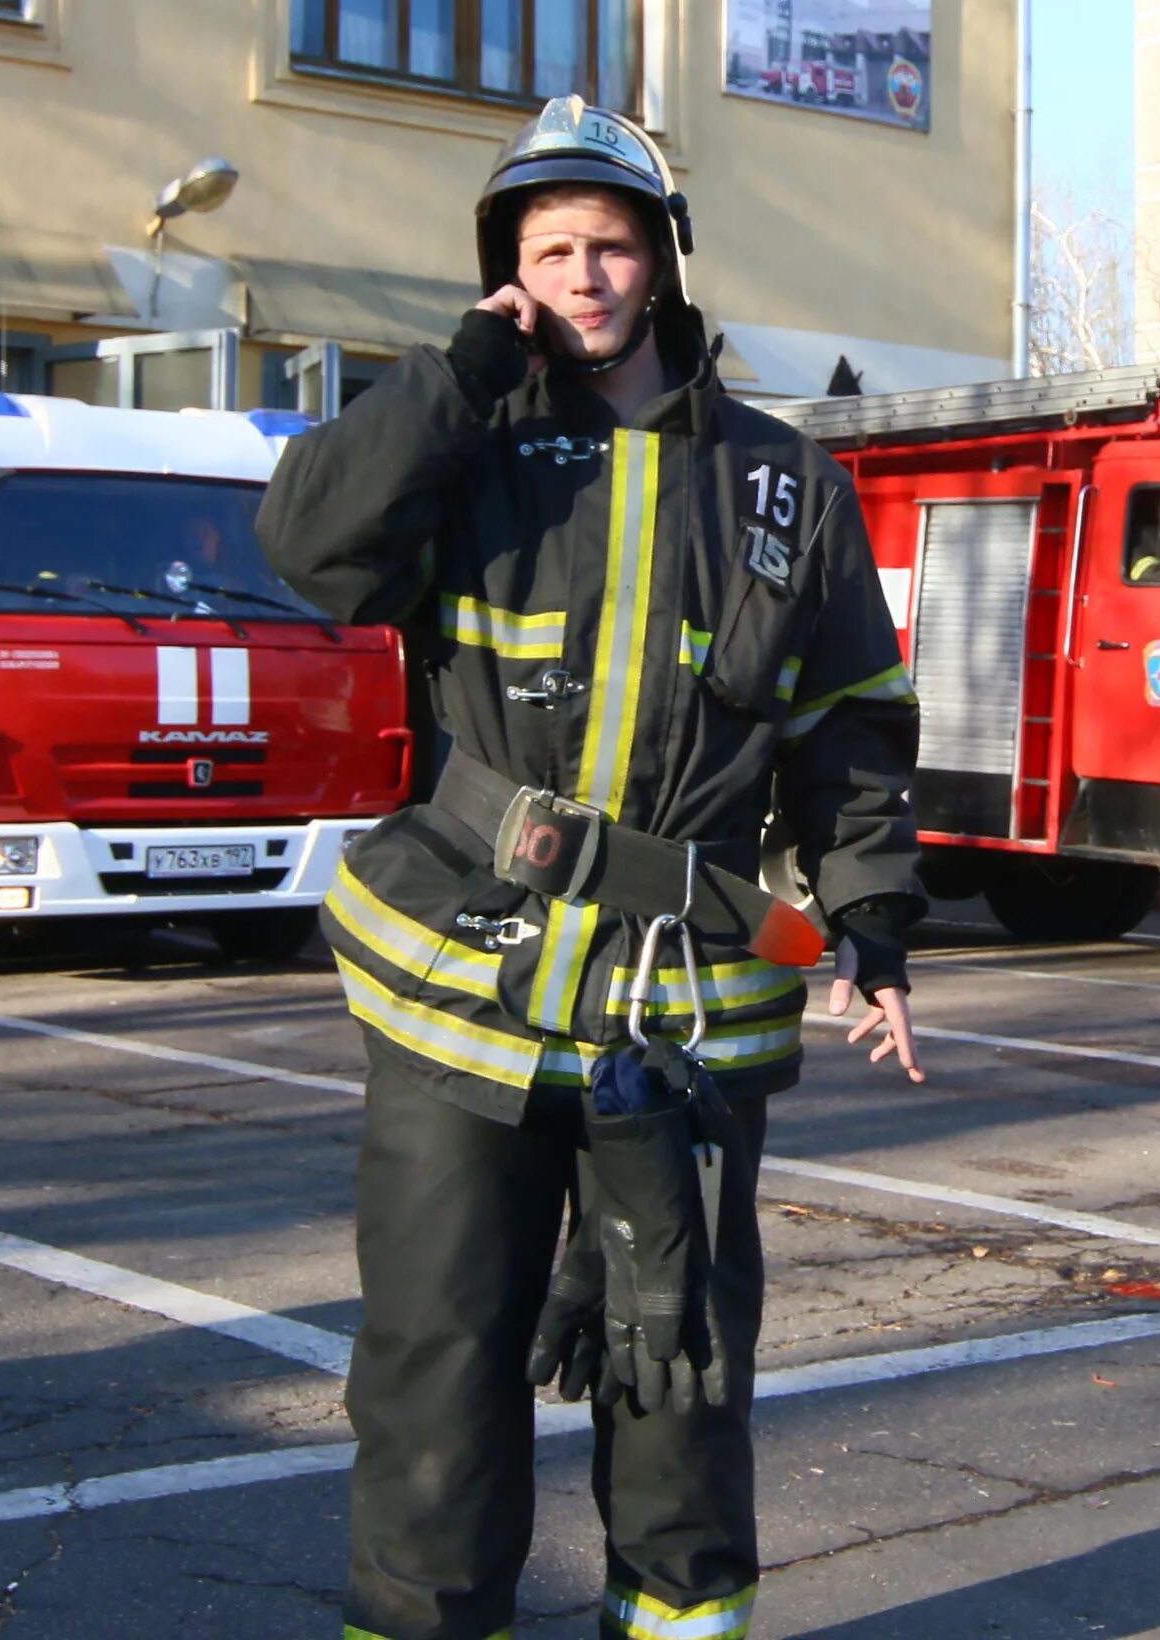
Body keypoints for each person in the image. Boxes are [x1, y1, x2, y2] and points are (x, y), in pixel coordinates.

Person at [256, 97, 926, 1640]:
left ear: (661, 263)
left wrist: (875, 924)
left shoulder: (783, 487)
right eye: (548, 249)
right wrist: (457, 372)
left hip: (684, 1005)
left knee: (678, 1371)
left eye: (610, 244)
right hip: (459, 986)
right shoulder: (459, 442)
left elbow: (851, 732)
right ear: (511, 270)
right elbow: (308, 542)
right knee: (437, 1365)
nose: (582, 272)